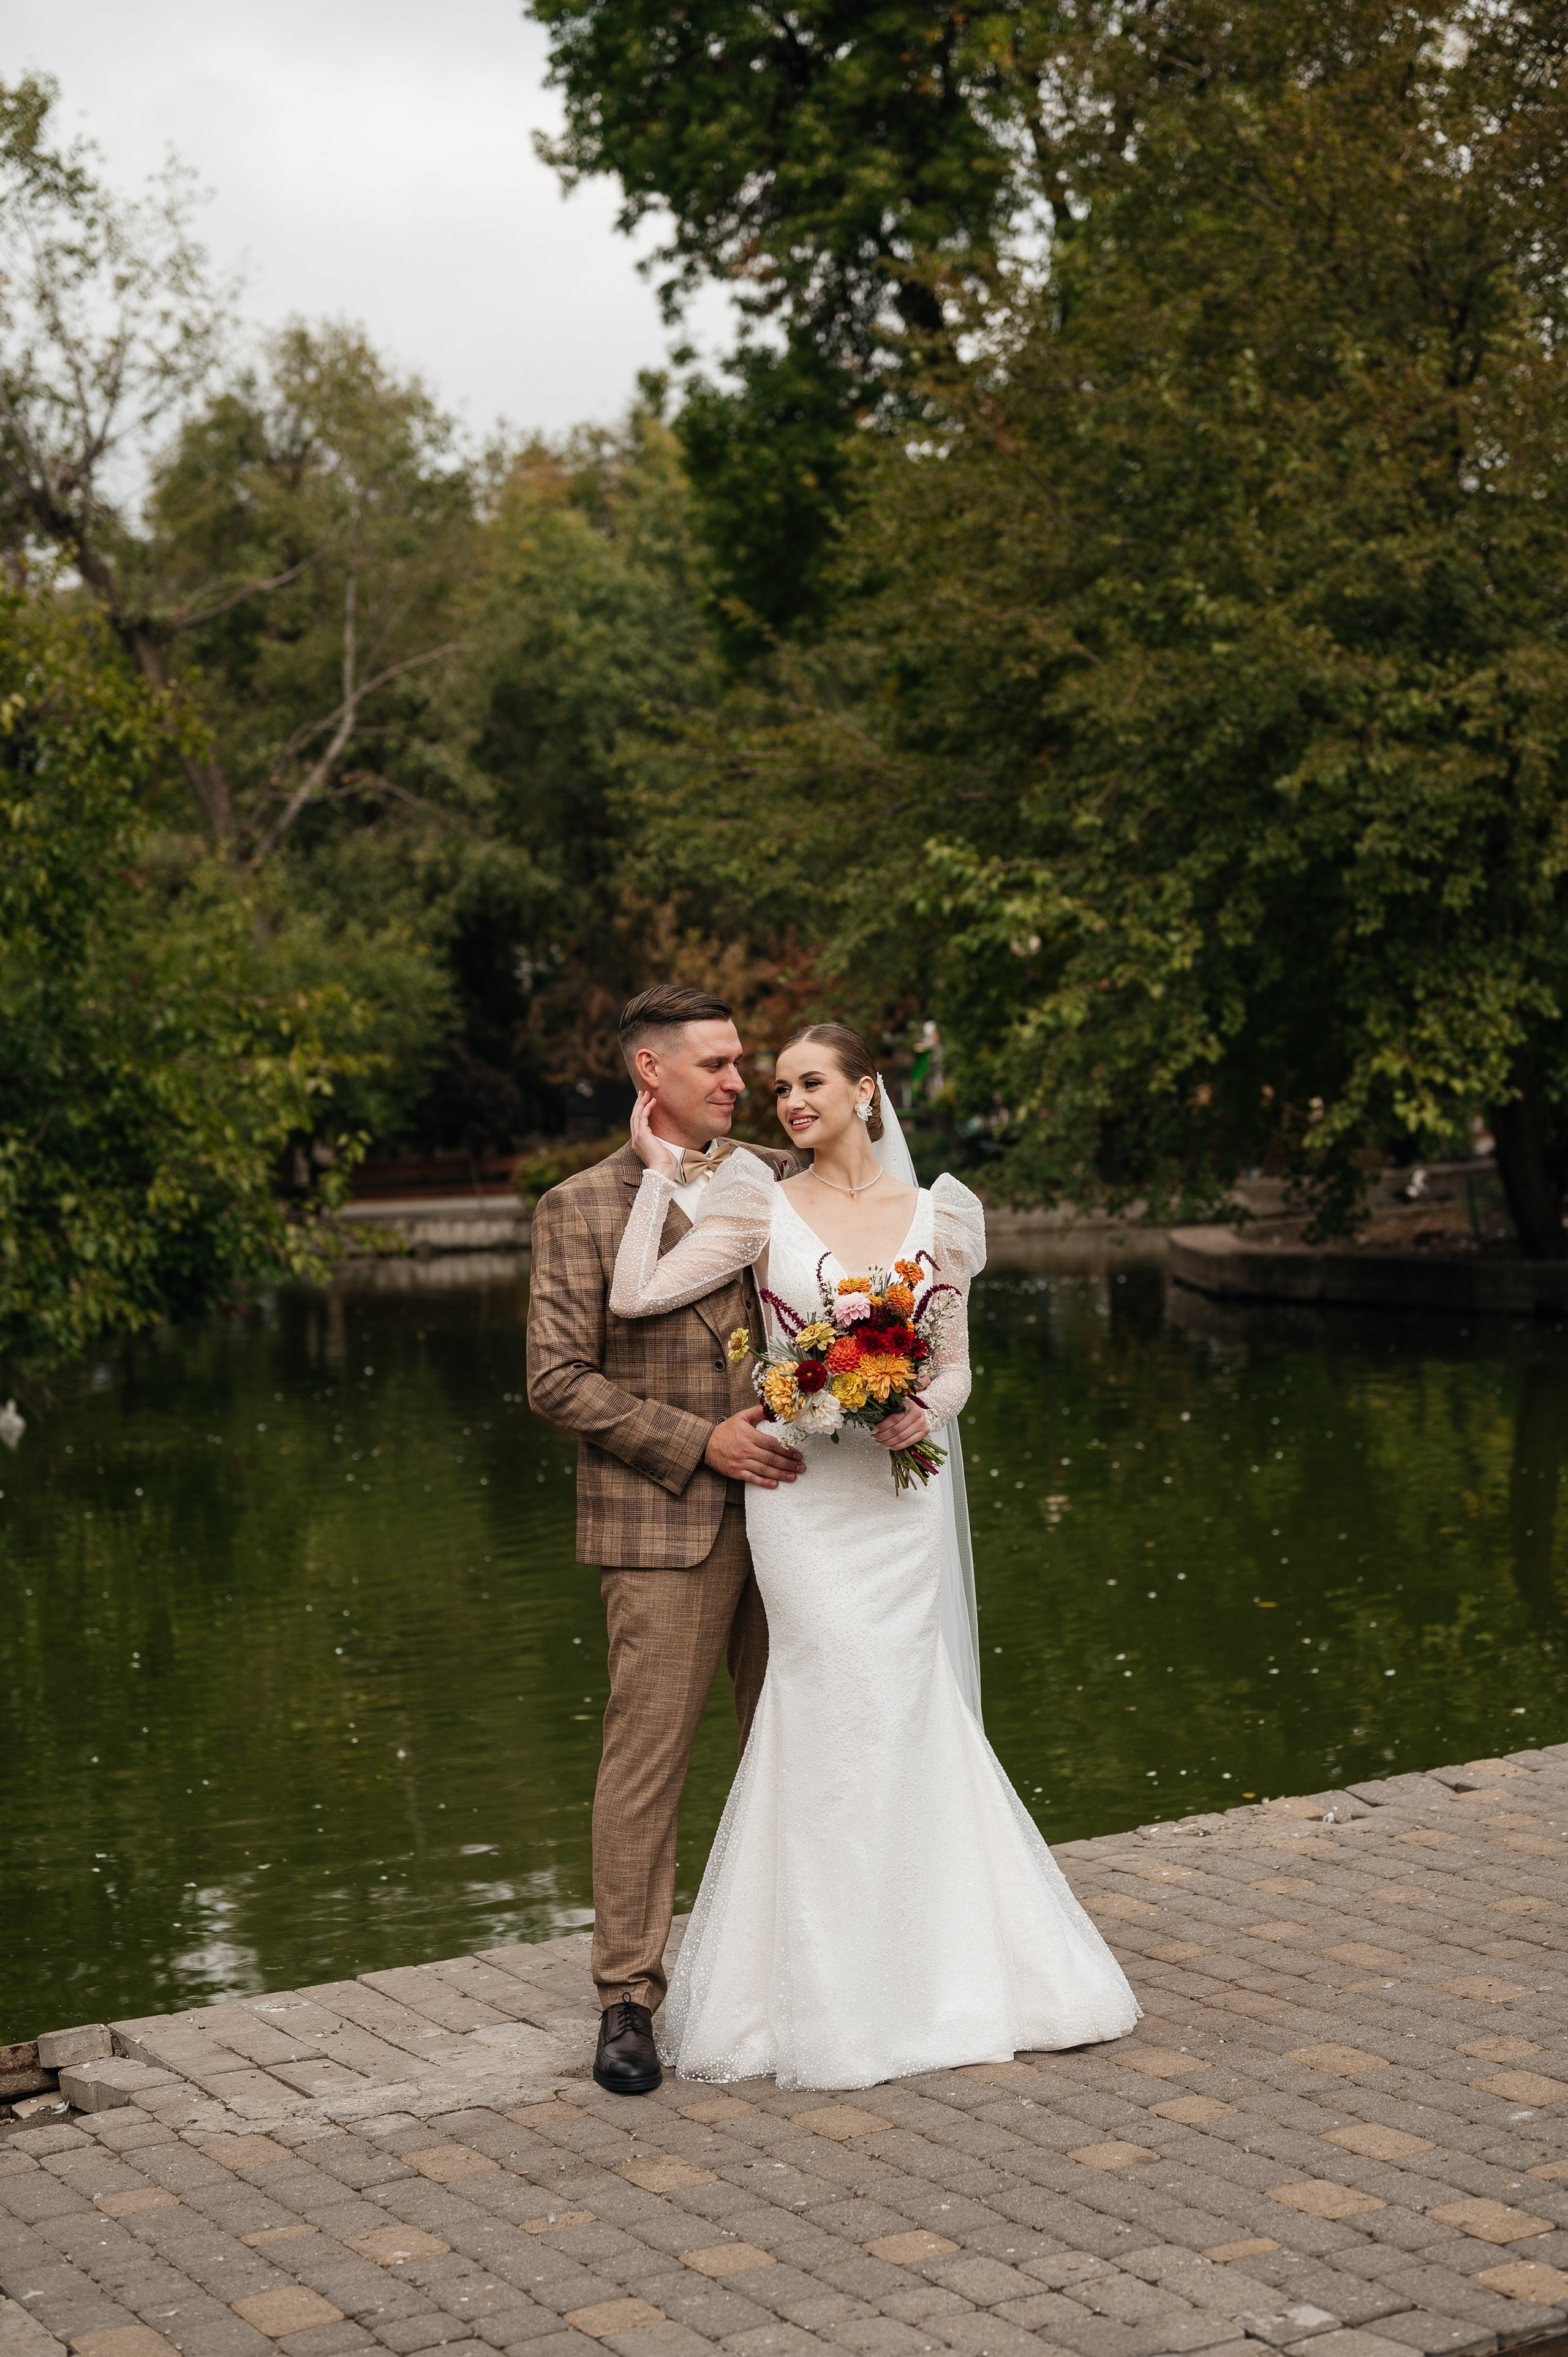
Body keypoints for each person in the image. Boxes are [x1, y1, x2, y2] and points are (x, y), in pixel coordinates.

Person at [608, 1020, 1140, 2090]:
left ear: (867, 1090)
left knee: (906, 1704)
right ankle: (824, 1989)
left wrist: (917, 1415)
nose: (790, 1102)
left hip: (900, 1503)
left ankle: (951, 1970)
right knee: (830, 1699)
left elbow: (957, 1368)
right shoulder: (759, 1201)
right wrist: (662, 1182)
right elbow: (636, 1295)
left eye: (812, 1084)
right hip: (803, 1498)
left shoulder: (943, 1212)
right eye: (781, 1089)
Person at [526, 985, 801, 2097]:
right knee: (647, 1767)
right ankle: (629, 1998)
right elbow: (555, 1379)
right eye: (719, 1065)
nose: (742, 1081)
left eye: (742, 1063)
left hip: (801, 1519)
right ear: (652, 1071)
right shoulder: (580, 1206)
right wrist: (700, 1443)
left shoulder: (781, 1183)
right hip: (663, 1524)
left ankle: (797, 1970)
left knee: (797, 1749)